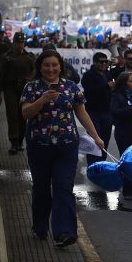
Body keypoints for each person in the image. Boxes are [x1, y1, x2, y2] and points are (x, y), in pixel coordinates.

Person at [21, 50, 104, 247]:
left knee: (63, 187)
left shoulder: (71, 87)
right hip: (39, 147)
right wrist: (42, 100)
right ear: (40, 67)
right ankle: (40, 226)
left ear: (60, 67)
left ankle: (64, 232)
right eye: (46, 65)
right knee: (41, 189)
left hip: (66, 147)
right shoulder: (31, 87)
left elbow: (82, 114)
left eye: (54, 65)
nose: (50, 69)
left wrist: (96, 137)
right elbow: (25, 113)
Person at [0, 32, 35, 154]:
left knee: (23, 115)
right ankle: (13, 142)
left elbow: (34, 73)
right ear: (14, 43)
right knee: (12, 115)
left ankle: (20, 141)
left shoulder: (29, 57)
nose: (20, 45)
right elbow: (0, 75)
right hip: (10, 89)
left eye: (22, 42)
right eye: (18, 42)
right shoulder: (7, 57)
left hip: (24, 89)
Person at [110, 71, 132, 200]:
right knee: (127, 161)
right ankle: (128, 190)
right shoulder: (117, 95)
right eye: (131, 81)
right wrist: (131, 110)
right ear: (124, 83)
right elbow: (115, 111)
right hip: (123, 132)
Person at [81, 52, 113, 166]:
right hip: (93, 112)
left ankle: (102, 164)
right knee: (94, 140)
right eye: (101, 62)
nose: (104, 64)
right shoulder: (88, 76)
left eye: (106, 61)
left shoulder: (108, 74)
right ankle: (92, 166)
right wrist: (106, 86)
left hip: (106, 112)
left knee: (105, 139)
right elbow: (89, 92)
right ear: (95, 63)